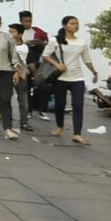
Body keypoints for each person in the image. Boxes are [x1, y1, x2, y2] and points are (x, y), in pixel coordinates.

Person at [42, 15, 99, 145]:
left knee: (78, 106)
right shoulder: (55, 40)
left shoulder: (81, 42)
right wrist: (57, 65)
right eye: (72, 23)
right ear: (64, 25)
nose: (75, 25)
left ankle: (77, 134)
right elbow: (45, 55)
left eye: (77, 23)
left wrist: (94, 71)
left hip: (77, 78)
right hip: (60, 78)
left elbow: (86, 59)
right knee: (60, 105)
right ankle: (59, 126)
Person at [19, 11, 50, 119]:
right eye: (25, 21)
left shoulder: (37, 31)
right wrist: (26, 43)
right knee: (26, 89)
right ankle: (28, 111)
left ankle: (41, 110)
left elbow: (47, 44)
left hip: (37, 62)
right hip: (24, 64)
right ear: (21, 21)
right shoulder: (18, 32)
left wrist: (39, 42)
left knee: (42, 88)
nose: (28, 23)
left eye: (30, 21)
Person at [6, 23, 33, 131]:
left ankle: (24, 122)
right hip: (7, 73)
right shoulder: (6, 44)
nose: (10, 34)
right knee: (5, 97)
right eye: (9, 32)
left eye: (13, 32)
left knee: (23, 99)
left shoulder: (24, 47)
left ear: (20, 34)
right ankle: (3, 117)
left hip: (20, 74)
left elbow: (22, 62)